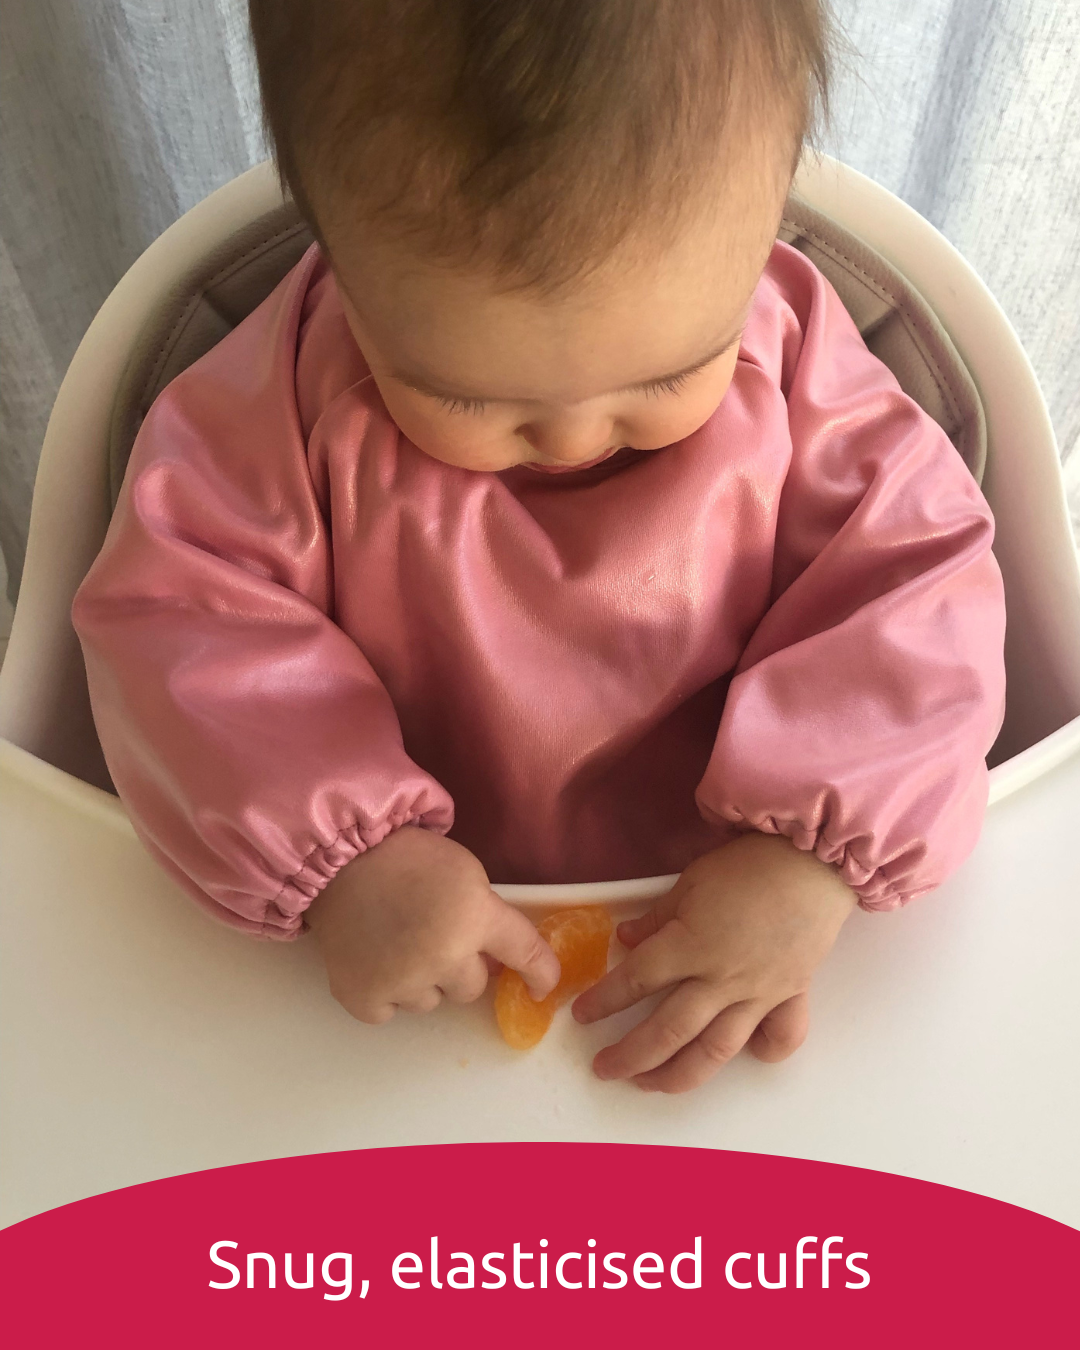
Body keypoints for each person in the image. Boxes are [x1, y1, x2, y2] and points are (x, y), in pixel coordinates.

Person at [71, 0, 1006, 1094]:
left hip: (722, 916)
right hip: (403, 966)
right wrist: (339, 859)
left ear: (764, 226)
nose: (571, 435)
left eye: (668, 376)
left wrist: (815, 862)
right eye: (463, 392)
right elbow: (179, 622)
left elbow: (920, 586)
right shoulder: (277, 404)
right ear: (339, 266)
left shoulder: (800, 374)